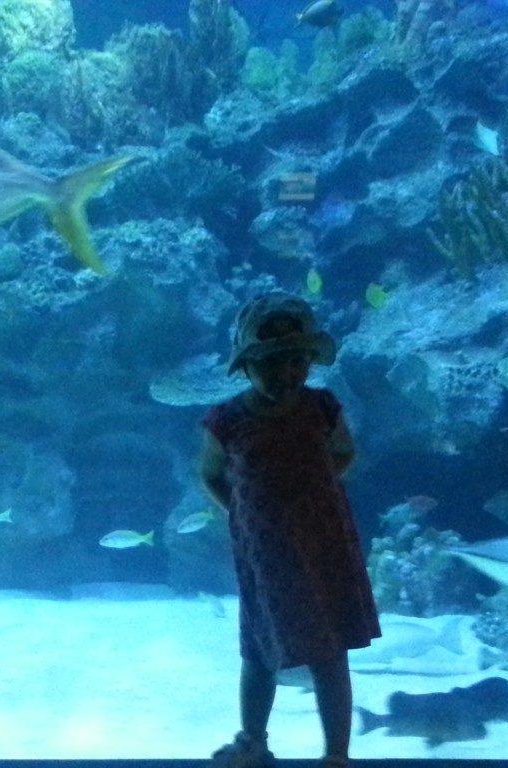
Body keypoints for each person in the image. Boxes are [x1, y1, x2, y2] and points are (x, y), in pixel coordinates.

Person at [198, 292, 381, 768]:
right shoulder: (227, 419)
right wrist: (239, 511)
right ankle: (252, 740)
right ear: (245, 366)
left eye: (296, 359)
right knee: (260, 648)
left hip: (324, 544)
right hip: (265, 554)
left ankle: (336, 754)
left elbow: (343, 451)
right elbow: (210, 471)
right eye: (271, 362)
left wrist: (313, 493)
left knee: (329, 648)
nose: (286, 371)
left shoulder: (322, 408)